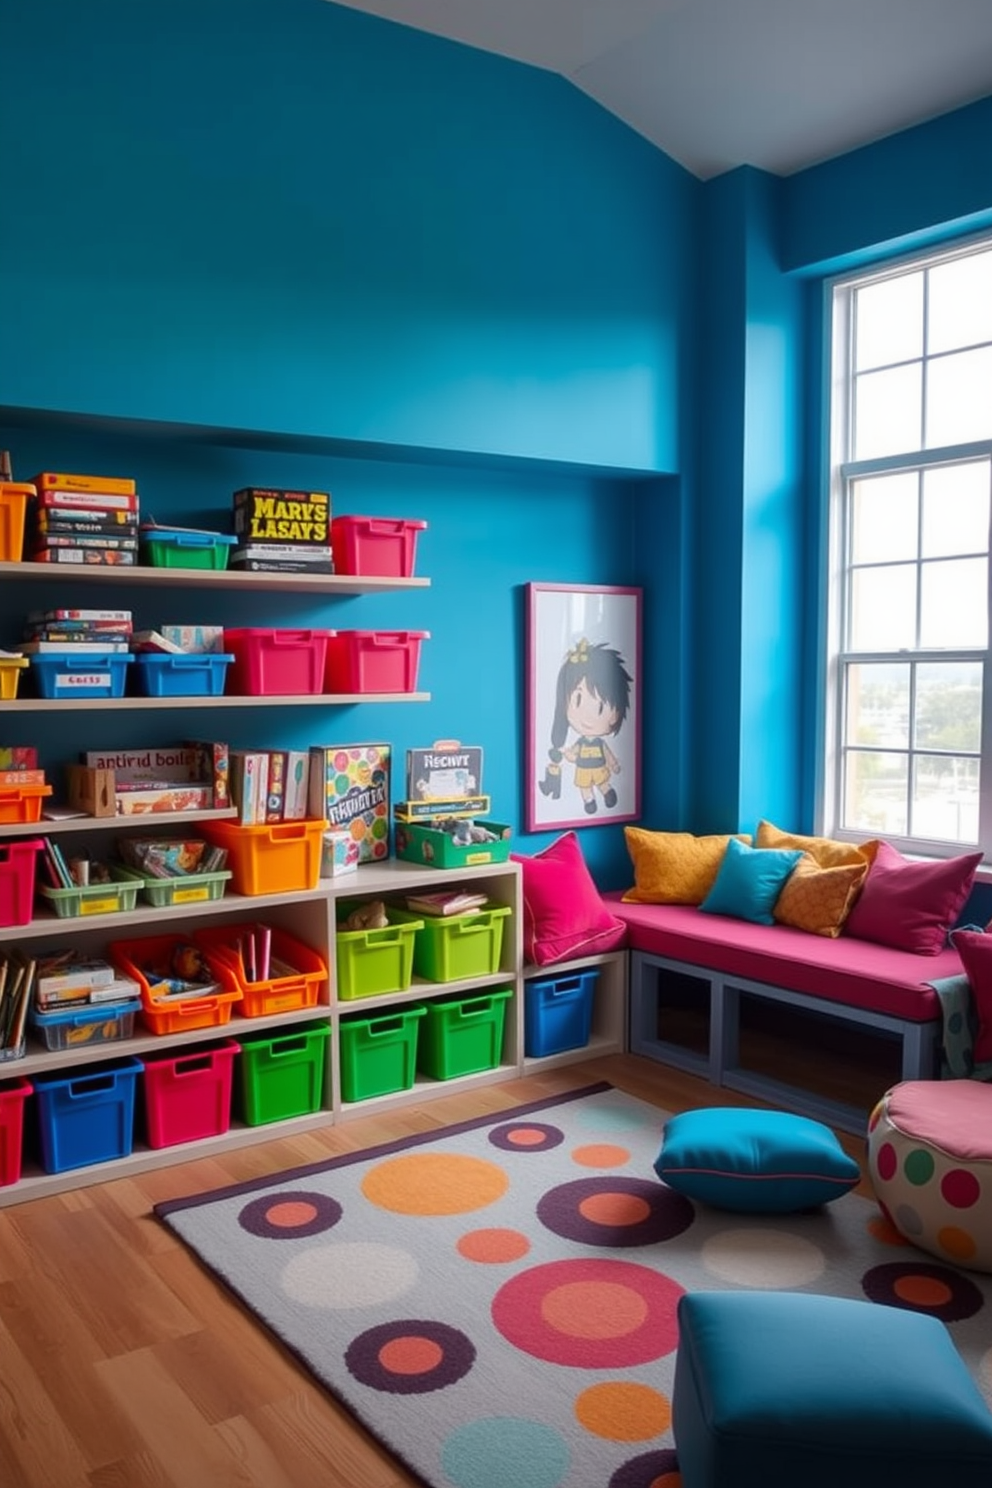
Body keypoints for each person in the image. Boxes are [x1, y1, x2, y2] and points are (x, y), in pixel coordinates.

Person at [538, 636, 632, 813]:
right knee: (585, 787)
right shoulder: (580, 743)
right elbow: (573, 755)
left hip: (599, 768)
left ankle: (607, 792)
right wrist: (567, 755)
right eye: (578, 699)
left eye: (599, 708)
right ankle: (589, 801)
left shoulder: (600, 744)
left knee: (603, 782)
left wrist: (614, 765)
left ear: (615, 715)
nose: (587, 718)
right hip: (583, 770)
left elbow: (608, 755)